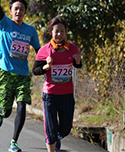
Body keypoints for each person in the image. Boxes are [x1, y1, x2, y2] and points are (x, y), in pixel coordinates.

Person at [0, 0, 41, 152]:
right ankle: (0, 111)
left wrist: (46, 62)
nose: (19, 12)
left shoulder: (30, 31)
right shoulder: (4, 23)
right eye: (16, 9)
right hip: (5, 72)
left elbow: (38, 51)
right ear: (11, 11)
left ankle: (14, 142)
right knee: (6, 111)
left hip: (22, 75)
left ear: (25, 12)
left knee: (21, 106)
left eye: (22, 9)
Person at [33, 17, 81, 152]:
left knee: (66, 128)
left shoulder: (72, 48)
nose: (59, 34)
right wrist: (46, 67)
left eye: (62, 31)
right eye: (56, 31)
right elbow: (35, 71)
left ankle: (57, 137)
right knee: (51, 129)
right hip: (50, 95)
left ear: (65, 33)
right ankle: (52, 142)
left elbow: (78, 65)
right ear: (51, 32)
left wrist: (78, 61)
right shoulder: (44, 51)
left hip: (67, 94)